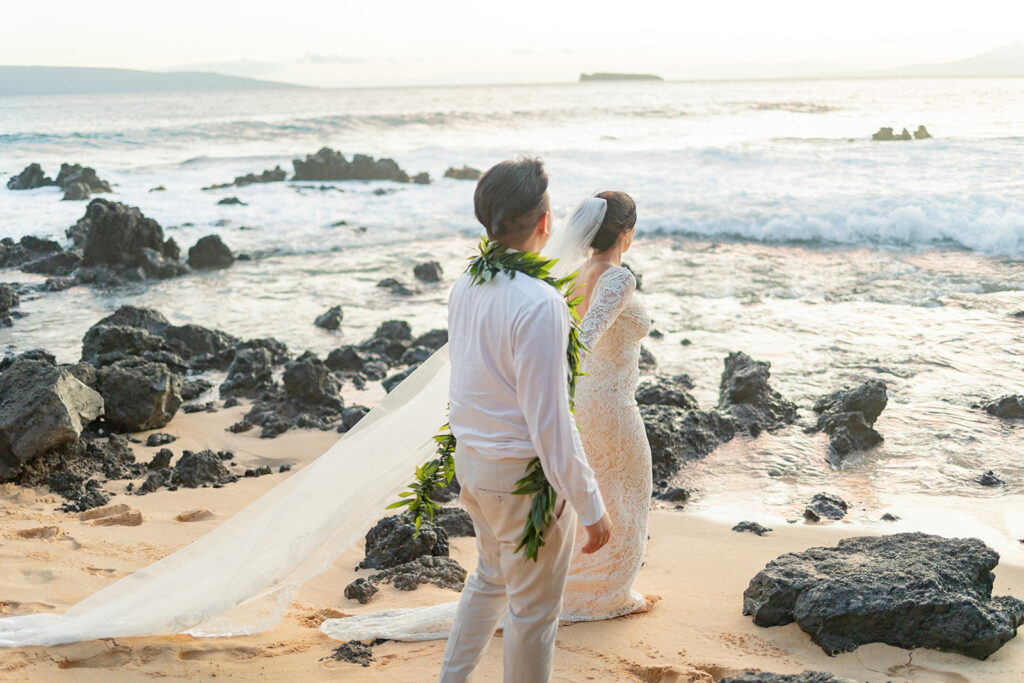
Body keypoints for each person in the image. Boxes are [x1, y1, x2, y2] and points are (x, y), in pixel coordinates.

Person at [439, 158, 613, 682]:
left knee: (490, 579)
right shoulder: (540, 303)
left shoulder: (468, 283)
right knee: (533, 615)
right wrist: (590, 505)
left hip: (472, 465)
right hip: (521, 481)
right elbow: (550, 421)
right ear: (544, 221)